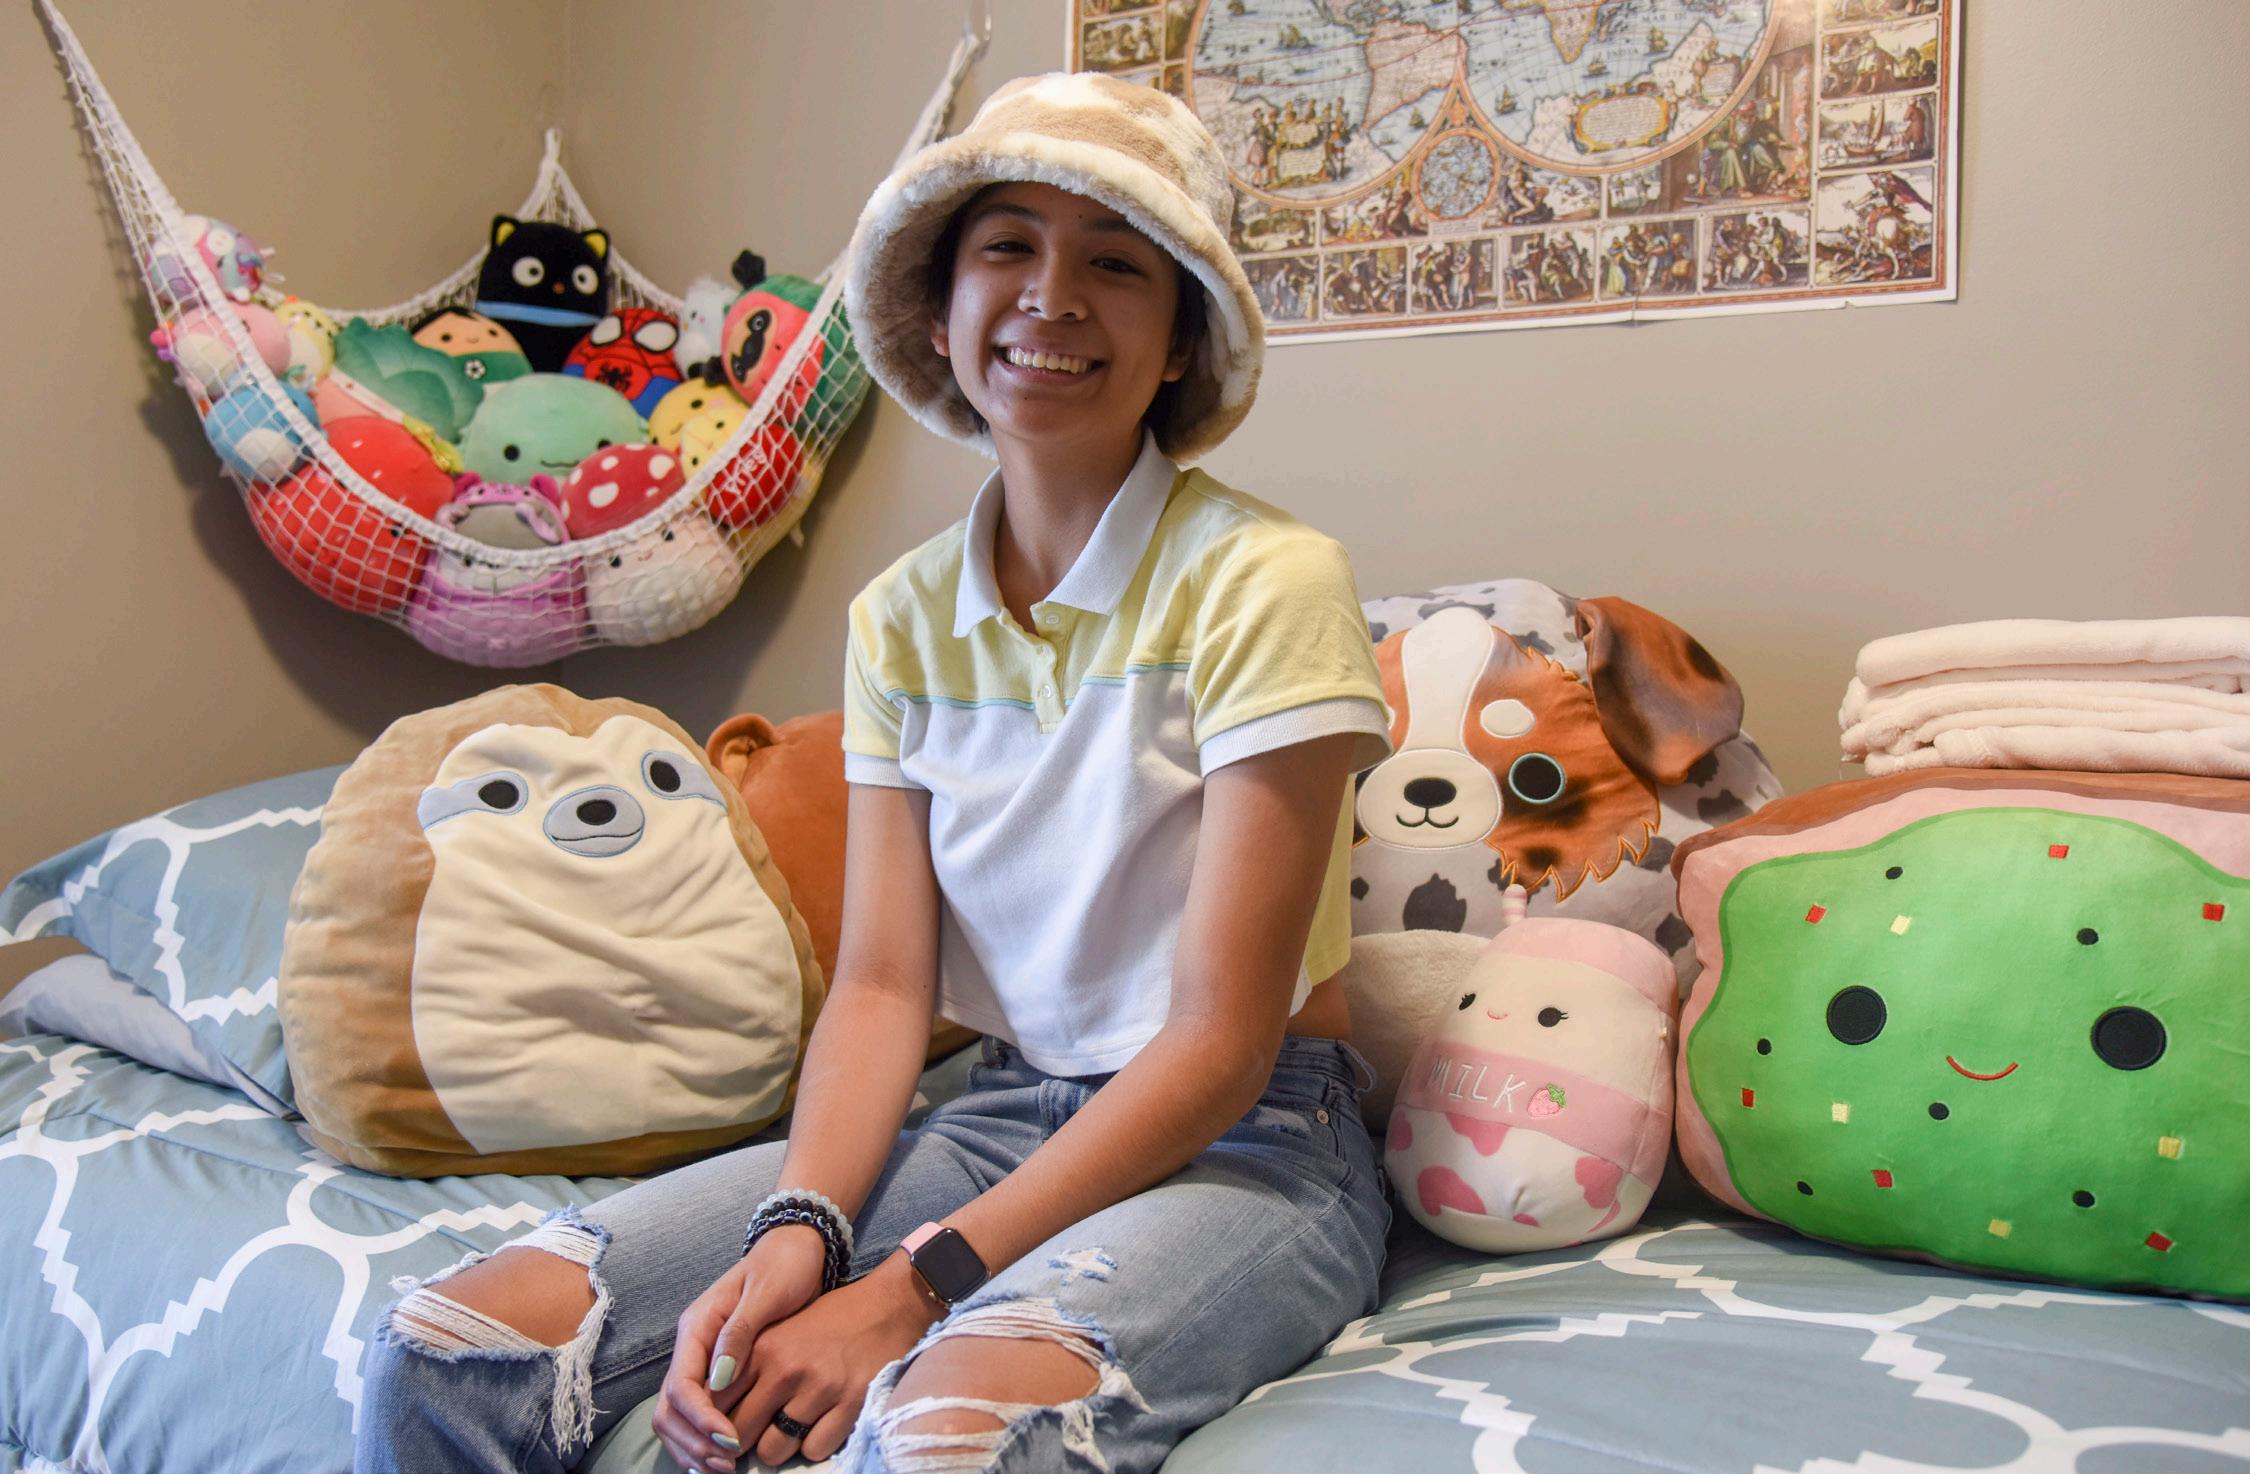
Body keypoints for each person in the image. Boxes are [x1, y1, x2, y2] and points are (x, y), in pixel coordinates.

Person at [353, 71, 1395, 1474]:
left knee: (941, 1437)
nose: (1051, 296)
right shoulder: (898, 618)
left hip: (1252, 1145)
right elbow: (887, 986)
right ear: (942, 310)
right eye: (1008, 246)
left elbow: (1219, 1041)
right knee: (451, 1349)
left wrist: (904, 1291)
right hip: (995, 1116)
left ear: (1177, 343)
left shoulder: (1271, 580)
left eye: (1115, 264)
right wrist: (804, 1229)